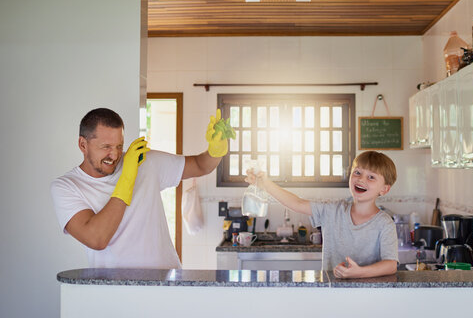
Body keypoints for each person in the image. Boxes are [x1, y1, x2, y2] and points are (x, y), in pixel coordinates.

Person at [51, 107, 229, 269]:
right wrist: (127, 177)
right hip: (116, 291)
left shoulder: (144, 162)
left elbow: (200, 165)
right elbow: (97, 239)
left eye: (119, 146)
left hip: (166, 282)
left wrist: (215, 151)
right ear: (83, 145)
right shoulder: (67, 187)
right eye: (105, 147)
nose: (114, 155)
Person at [245, 150, 398, 278]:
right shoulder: (332, 211)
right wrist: (265, 183)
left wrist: (359, 272)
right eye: (357, 172)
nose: (361, 179)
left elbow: (391, 265)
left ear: (384, 189)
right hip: (331, 293)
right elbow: (297, 204)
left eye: (371, 177)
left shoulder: (385, 223)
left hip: (371, 297)